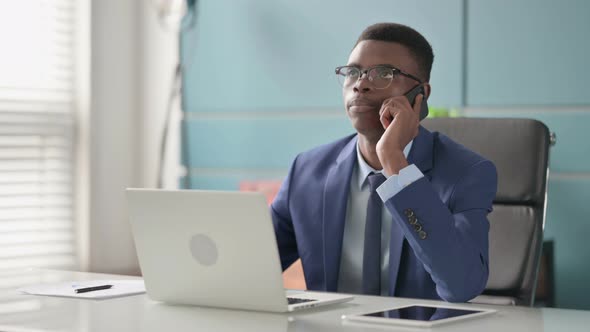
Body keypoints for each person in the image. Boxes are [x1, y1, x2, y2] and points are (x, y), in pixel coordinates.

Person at [271, 22, 497, 302]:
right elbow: (249, 269)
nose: (361, 84)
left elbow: (461, 285)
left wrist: (394, 163)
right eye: (352, 72)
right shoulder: (306, 172)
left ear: (421, 95)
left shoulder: (466, 173)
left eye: (383, 74)